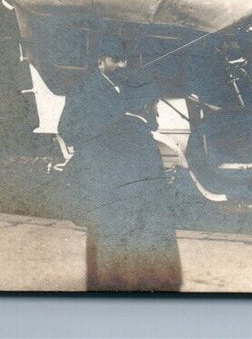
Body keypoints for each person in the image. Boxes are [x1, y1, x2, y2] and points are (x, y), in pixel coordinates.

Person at [59, 37, 181, 291]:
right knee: (106, 235)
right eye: (116, 60)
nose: (122, 65)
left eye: (125, 60)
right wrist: (109, 125)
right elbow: (67, 130)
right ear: (100, 61)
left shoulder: (121, 88)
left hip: (115, 173)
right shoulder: (84, 89)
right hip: (97, 170)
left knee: (113, 234)